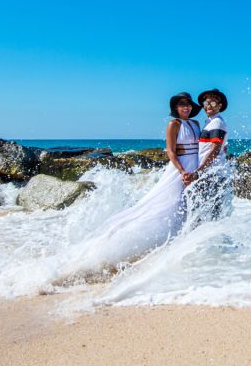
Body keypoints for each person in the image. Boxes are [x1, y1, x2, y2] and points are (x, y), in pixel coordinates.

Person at [57, 92, 202, 274]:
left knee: (188, 205)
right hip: (180, 169)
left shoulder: (196, 124)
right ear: (176, 108)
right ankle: (146, 243)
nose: (185, 107)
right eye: (182, 104)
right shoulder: (174, 125)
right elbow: (171, 152)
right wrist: (182, 171)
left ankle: (184, 242)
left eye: (188, 104)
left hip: (194, 168)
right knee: (170, 203)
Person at [184, 88, 233, 225]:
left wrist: (198, 171)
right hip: (211, 173)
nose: (208, 106)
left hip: (213, 175)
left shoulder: (217, 122)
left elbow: (215, 150)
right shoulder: (210, 122)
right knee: (207, 215)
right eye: (206, 103)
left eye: (212, 102)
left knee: (206, 216)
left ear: (220, 106)